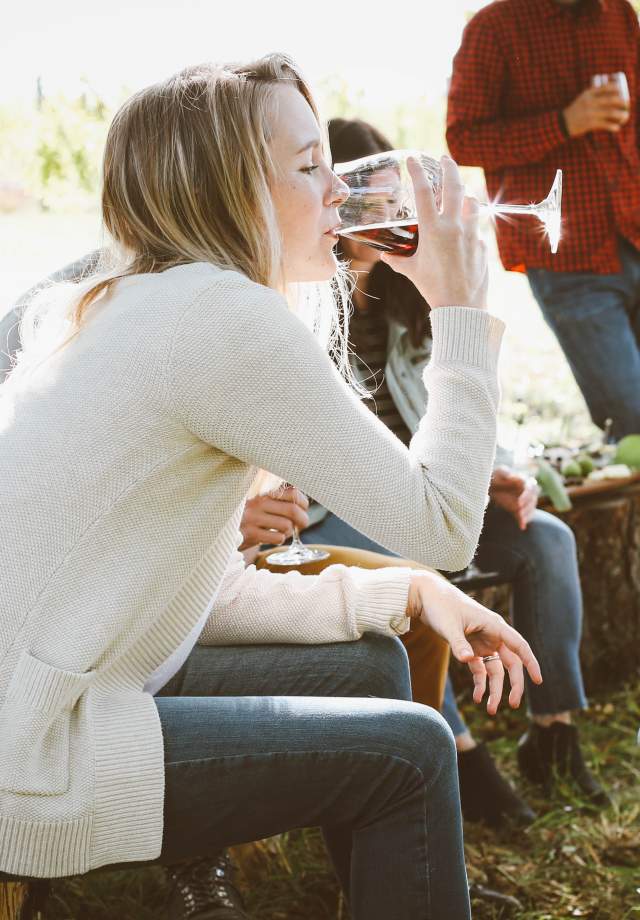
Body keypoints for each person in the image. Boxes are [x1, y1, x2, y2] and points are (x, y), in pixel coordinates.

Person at [0, 55, 543, 920]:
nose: (339, 191)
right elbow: (443, 522)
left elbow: (193, 597)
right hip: (35, 743)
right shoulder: (218, 319)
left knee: (373, 664)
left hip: (62, 688)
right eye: (308, 166)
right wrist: (462, 312)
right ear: (226, 188)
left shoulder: (140, 299)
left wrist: (403, 588)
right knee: (411, 750)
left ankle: (403, 882)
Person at [244, 116, 604, 828]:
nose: (391, 210)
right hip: (332, 512)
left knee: (546, 540)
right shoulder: (294, 305)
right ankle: (462, 753)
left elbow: (447, 403)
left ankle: (554, 732)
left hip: (415, 492)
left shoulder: (408, 298)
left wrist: (499, 469)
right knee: (403, 561)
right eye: (369, 195)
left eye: (389, 193)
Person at [446, 0, 640, 440]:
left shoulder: (619, 14)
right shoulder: (494, 27)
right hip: (569, 259)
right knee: (632, 422)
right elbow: (463, 140)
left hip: (634, 228)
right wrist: (564, 123)